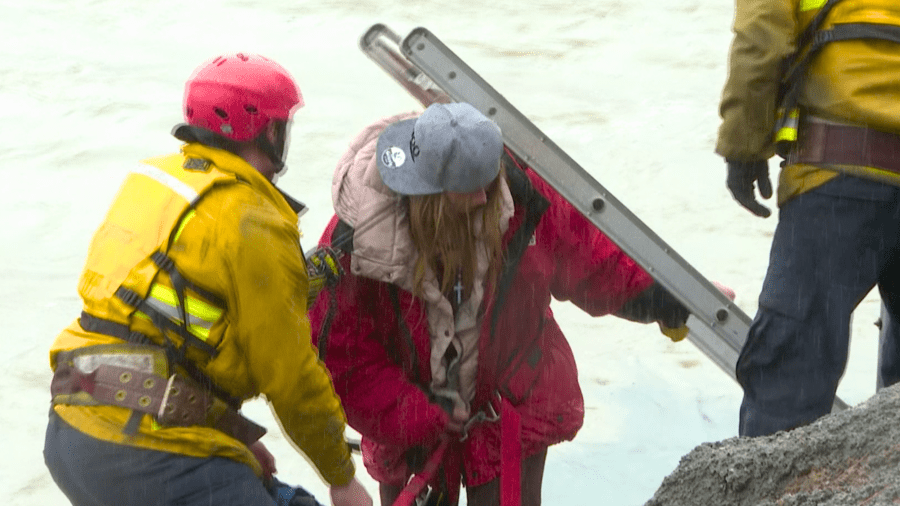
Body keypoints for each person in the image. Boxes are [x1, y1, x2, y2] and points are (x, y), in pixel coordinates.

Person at [307, 102, 721, 506]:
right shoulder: (355, 241)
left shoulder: (519, 191)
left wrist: (669, 296)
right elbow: (343, 359)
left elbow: (591, 257)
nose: (486, 200)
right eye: (471, 192)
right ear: (427, 194)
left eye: (491, 183)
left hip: (507, 397)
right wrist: (420, 413)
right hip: (404, 412)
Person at [43, 53, 372, 506]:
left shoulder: (156, 180)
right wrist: (342, 477)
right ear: (270, 132)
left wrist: (231, 433)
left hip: (75, 430)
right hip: (146, 451)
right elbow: (292, 378)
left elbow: (157, 329)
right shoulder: (252, 220)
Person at [717, 0, 900, 437]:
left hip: (836, 176)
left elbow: (762, 33)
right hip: (840, 177)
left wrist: (743, 146)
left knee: (787, 386)